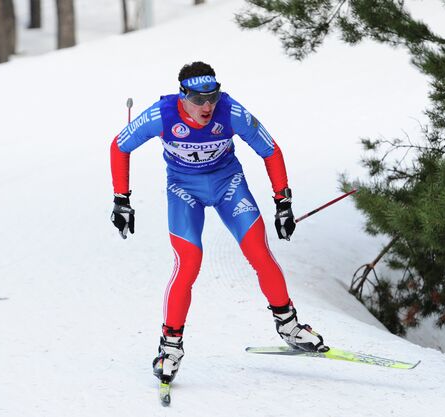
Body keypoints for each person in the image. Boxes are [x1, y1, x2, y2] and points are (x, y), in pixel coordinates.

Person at [109, 61, 328, 382]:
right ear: (182, 95)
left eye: (213, 96)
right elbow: (119, 146)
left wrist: (283, 202)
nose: (207, 106)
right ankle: (170, 346)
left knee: (259, 252)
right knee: (189, 262)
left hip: (229, 184)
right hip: (184, 190)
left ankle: (290, 325)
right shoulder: (161, 114)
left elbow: (271, 150)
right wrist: (121, 199)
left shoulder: (231, 112)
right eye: (198, 99)